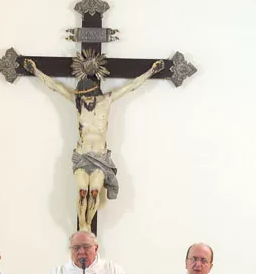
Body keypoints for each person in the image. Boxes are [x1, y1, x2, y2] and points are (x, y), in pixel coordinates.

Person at [24, 54, 163, 229]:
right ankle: (83, 224)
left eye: (88, 95)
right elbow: (55, 87)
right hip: (82, 155)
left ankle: (88, 223)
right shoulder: (78, 102)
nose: (86, 99)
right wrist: (35, 71)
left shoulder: (106, 101)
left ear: (94, 92)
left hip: (100, 157)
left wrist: (151, 71)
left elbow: (131, 86)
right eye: (83, 96)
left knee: (95, 191)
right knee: (83, 192)